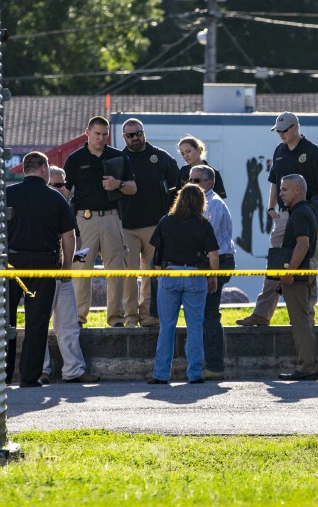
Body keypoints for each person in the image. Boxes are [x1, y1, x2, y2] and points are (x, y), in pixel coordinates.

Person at [236, 111, 318, 327]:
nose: (280, 134)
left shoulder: (313, 151)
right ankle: (262, 314)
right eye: (278, 131)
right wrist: (272, 207)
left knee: (309, 263)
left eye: (284, 130)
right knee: (275, 262)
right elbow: (274, 181)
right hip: (284, 214)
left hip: (309, 214)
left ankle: (307, 314)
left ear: (295, 128)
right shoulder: (279, 151)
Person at [6, 151, 76, 387]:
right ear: (45, 169)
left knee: (6, 320)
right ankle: (29, 376)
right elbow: (68, 235)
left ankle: (3, 374)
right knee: (36, 322)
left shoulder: (7, 194)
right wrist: (66, 268)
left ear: (25, 168)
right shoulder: (55, 198)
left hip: (10, 264)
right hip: (43, 264)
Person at [64, 116, 136, 327]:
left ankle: (116, 318)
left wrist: (118, 184)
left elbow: (133, 188)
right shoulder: (75, 159)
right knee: (80, 270)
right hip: (84, 221)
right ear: (87, 132)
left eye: (105, 134)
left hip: (112, 218)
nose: (101, 138)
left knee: (116, 270)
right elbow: (66, 193)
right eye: (97, 134)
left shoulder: (117, 157)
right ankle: (78, 317)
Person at [147, 184, 219, 384]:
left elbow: (157, 252)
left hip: (170, 275)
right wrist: (213, 277)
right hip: (195, 276)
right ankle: (195, 373)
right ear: (201, 202)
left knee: (166, 326)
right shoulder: (203, 224)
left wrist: (159, 275)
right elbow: (213, 255)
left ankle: (161, 374)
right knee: (195, 326)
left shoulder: (166, 221)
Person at [37, 166, 100, 384]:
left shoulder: (68, 207)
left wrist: (72, 260)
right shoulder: (43, 207)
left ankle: (73, 370)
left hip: (64, 273)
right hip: (46, 272)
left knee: (69, 324)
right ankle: (40, 370)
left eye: (65, 184)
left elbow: (76, 238)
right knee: (39, 323)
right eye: (57, 185)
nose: (63, 189)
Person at [120, 118, 179, 328]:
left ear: (144, 133)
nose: (135, 138)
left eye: (138, 133)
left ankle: (148, 316)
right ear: (124, 137)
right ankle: (129, 317)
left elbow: (177, 189)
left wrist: (170, 217)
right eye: (130, 135)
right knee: (128, 275)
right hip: (126, 226)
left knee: (151, 274)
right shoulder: (119, 159)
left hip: (156, 224)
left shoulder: (161, 158)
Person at [188, 165, 235, 381]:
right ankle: (209, 363)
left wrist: (210, 274)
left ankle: (215, 366)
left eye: (197, 180)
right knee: (204, 314)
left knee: (209, 314)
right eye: (190, 179)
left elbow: (209, 242)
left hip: (217, 262)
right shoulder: (199, 202)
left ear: (209, 183)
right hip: (207, 261)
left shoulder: (213, 205)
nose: (191, 184)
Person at [275, 174, 318, 381]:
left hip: (296, 276)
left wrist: (288, 272)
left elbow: (302, 245)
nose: (280, 193)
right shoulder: (303, 211)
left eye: (285, 189)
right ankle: (308, 365)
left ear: (297, 190)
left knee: (300, 322)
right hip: (300, 272)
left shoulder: (301, 213)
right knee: (303, 320)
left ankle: (307, 367)